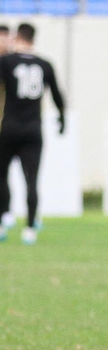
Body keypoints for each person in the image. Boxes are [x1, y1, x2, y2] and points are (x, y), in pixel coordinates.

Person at [0, 23, 66, 245]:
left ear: (17, 37)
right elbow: (58, 95)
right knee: (32, 180)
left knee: (2, 175)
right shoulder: (45, 65)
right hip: (33, 129)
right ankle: (29, 228)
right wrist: (62, 118)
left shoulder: (6, 62)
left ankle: (4, 217)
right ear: (33, 40)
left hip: (8, 128)